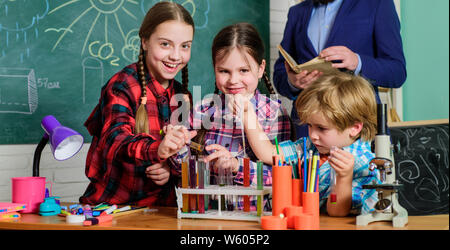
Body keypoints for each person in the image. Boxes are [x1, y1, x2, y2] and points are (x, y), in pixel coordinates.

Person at [80, 2, 196, 207]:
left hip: (161, 212)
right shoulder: (122, 85)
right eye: (165, 44)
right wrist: (157, 150)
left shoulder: (182, 95)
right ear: (145, 42)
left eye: (185, 46)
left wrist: (171, 166)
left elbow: (186, 153)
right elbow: (115, 139)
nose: (176, 56)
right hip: (115, 209)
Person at [177, 23, 292, 210]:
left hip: (255, 220)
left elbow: (282, 176)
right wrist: (176, 147)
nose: (233, 80)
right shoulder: (201, 111)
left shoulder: (274, 114)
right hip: (206, 216)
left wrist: (237, 166)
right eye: (224, 71)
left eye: (243, 71)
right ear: (214, 69)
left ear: (261, 69)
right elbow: (182, 171)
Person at [243, 73, 381, 216]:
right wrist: (248, 115)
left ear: (354, 128)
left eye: (322, 128)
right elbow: (267, 152)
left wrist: (343, 178)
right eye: (310, 125)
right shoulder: (308, 147)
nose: (313, 135)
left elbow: (336, 211)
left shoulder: (364, 164)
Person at [273, 0, 406, 138]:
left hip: (357, 129)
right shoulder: (297, 12)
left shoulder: (378, 4)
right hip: (307, 132)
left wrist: (358, 62)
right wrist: (293, 82)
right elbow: (279, 74)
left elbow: (397, 72)